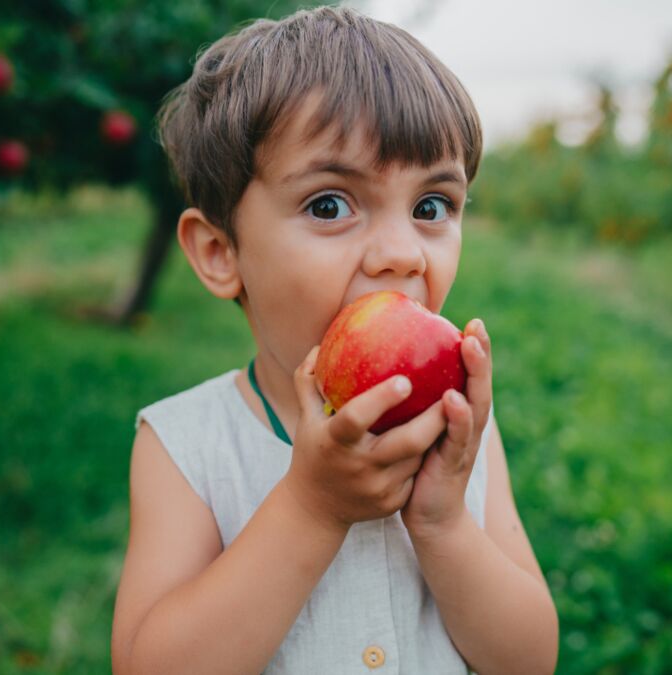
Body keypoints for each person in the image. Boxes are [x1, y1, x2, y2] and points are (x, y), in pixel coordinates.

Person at [111, 6, 558, 674]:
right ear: (219, 251)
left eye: (431, 207)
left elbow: (529, 660)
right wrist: (312, 507)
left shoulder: (464, 435)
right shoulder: (188, 446)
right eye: (329, 205)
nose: (402, 253)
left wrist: (442, 523)